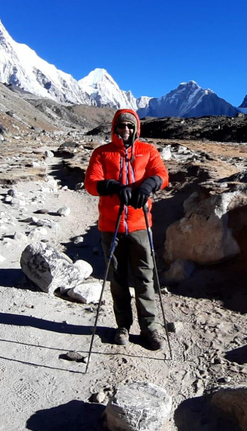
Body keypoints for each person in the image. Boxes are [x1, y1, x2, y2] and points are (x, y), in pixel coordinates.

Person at [84, 109, 169, 350]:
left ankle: (150, 327)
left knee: (145, 277)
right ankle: (123, 325)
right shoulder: (102, 153)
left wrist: (150, 184)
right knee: (117, 278)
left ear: (136, 129)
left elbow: (162, 174)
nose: (126, 130)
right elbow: (91, 183)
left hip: (140, 223)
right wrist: (111, 186)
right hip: (111, 225)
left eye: (130, 127)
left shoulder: (148, 151)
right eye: (121, 126)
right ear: (114, 128)